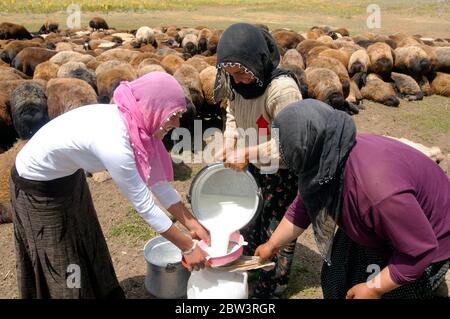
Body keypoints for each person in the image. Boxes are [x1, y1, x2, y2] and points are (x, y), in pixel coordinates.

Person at [10, 72, 210, 299]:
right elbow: (145, 206)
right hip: (38, 187)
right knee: (62, 258)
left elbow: (158, 183)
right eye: (172, 115)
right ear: (152, 108)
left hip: (68, 177)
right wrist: (188, 247)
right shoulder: (115, 141)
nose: (177, 123)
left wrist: (192, 223)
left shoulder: (138, 128)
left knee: (86, 239)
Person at [256, 99, 450, 299]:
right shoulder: (331, 155)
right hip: (385, 220)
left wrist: (375, 288)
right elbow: (304, 205)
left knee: (395, 293)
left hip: (425, 237)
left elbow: (419, 250)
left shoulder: (377, 193)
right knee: (338, 278)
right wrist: (272, 245)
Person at [213, 22, 302, 298]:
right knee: (251, 217)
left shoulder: (282, 91)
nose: (236, 80)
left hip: (282, 169)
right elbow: (231, 112)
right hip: (253, 166)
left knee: (277, 228)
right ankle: (251, 265)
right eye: (231, 73)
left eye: (242, 73)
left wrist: (247, 152)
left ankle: (273, 285)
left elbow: (292, 142)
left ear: (257, 62)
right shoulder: (234, 81)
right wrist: (230, 142)